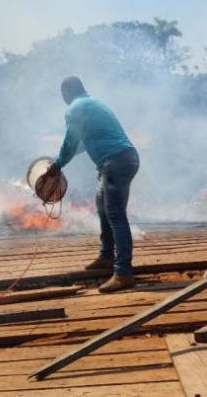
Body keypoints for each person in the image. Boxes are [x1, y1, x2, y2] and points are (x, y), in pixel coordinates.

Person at [46, 77, 139, 293]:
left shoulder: (75, 108)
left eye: (63, 94)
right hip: (124, 158)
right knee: (102, 206)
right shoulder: (94, 104)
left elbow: (69, 143)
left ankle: (123, 272)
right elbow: (81, 145)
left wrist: (58, 164)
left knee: (115, 214)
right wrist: (61, 160)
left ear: (67, 92)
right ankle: (107, 256)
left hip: (115, 162)